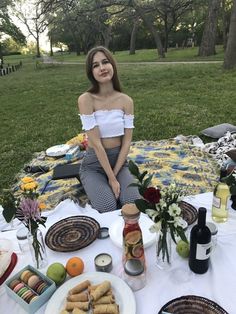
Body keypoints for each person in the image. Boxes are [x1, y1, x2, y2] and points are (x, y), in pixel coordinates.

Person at [78, 46, 140, 213]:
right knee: (108, 206)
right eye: (95, 65)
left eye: (105, 62)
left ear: (112, 64)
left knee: (132, 203)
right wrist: (112, 179)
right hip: (94, 165)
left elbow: (127, 142)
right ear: (91, 72)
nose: (102, 68)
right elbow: (96, 144)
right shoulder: (86, 99)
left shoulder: (126, 101)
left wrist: (116, 172)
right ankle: (95, 183)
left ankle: (109, 183)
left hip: (119, 162)